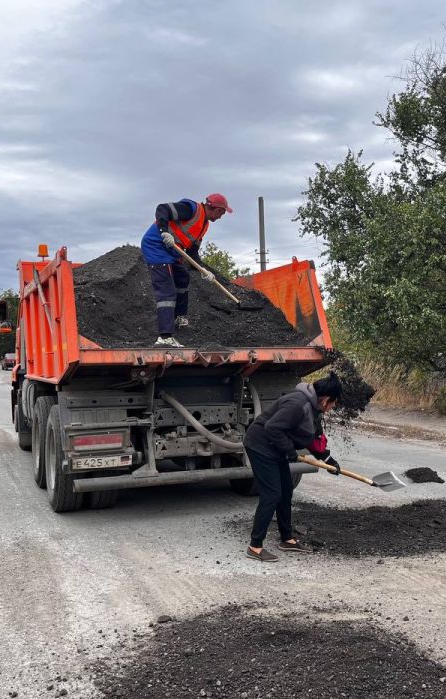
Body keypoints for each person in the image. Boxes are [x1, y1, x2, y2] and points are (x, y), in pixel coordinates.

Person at [243, 372, 342, 562]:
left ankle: (287, 539)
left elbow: (311, 438)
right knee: (272, 494)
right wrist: (289, 451)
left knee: (286, 491)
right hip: (260, 445)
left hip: (275, 447)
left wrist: (328, 460)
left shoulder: (313, 408)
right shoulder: (298, 404)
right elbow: (272, 427)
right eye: (334, 402)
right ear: (326, 399)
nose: (334, 406)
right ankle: (255, 546)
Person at [140, 193, 232, 347]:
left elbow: (192, 253)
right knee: (167, 291)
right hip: (156, 246)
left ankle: (179, 317)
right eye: (222, 213)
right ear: (216, 209)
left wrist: (203, 270)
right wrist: (164, 231)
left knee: (183, 277)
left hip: (172, 251)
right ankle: (165, 337)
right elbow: (162, 209)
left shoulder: (204, 225)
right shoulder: (190, 210)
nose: (221, 217)